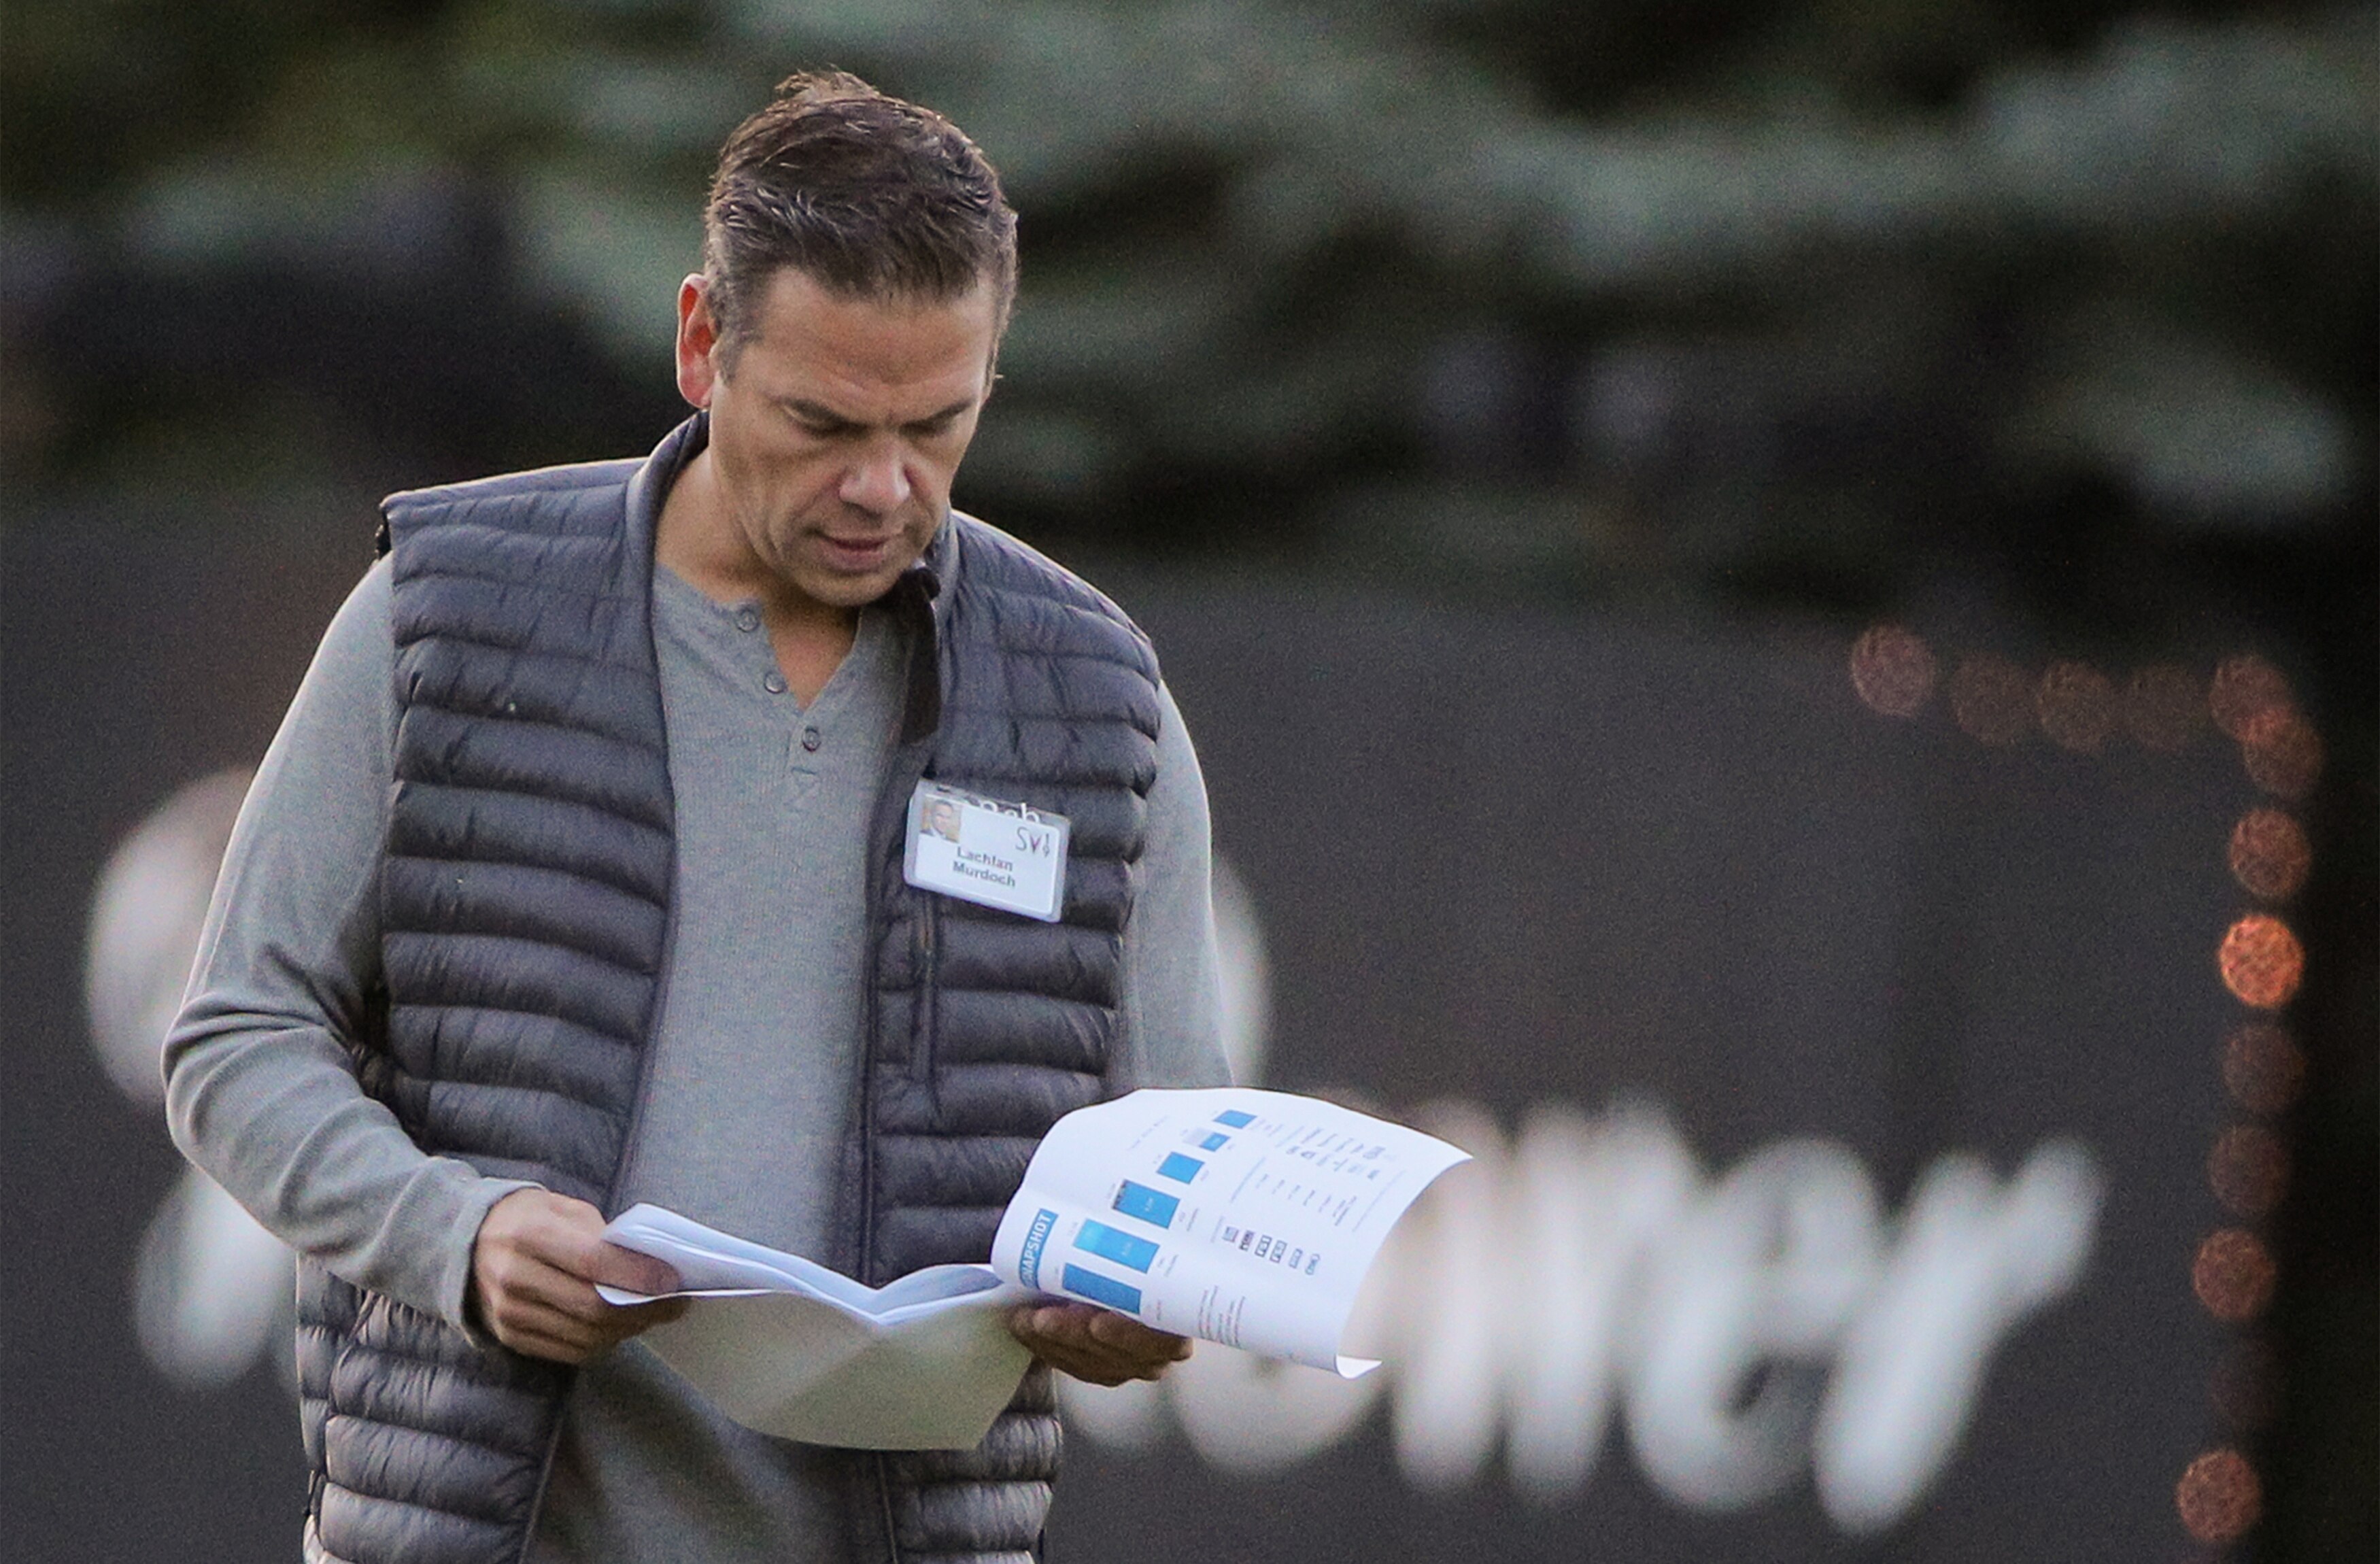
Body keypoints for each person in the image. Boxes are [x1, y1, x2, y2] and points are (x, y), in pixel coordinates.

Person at [165, 71, 1230, 1564]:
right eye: (824, 422)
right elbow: (235, 1040)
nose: (884, 485)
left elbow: (1173, 1163)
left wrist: (1138, 1295)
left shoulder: (1094, 700)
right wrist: (454, 1234)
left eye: (938, 424)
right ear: (699, 344)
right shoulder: (448, 614)